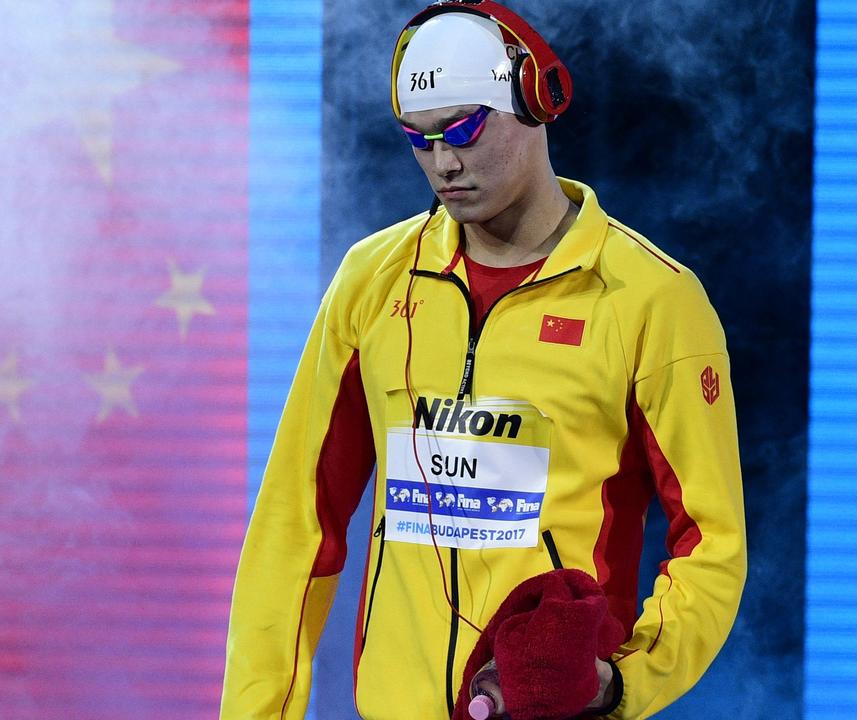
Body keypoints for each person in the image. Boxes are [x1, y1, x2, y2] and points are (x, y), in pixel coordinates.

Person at [221, 1, 747, 718]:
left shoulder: (651, 297)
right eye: (421, 136)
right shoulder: (370, 282)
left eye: (466, 128)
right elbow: (295, 526)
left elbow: (711, 544)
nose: (444, 161)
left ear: (535, 101)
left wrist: (620, 684)